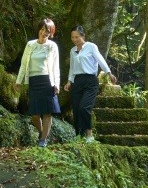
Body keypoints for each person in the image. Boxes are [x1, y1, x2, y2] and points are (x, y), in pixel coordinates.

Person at [63, 25, 117, 143]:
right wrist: (69, 81)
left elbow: (100, 60)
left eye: (77, 37)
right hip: (77, 81)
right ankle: (79, 135)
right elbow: (72, 68)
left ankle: (89, 135)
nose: (75, 39)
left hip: (90, 81)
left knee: (84, 107)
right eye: (72, 37)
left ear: (83, 36)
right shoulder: (73, 51)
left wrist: (109, 73)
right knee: (76, 109)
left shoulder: (91, 47)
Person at [15, 18, 61, 147]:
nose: (44, 33)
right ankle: (42, 134)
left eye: (47, 31)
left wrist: (56, 83)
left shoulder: (52, 46)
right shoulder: (30, 44)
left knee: (47, 112)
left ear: (51, 33)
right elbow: (24, 64)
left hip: (47, 81)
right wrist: (19, 80)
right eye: (42, 29)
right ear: (38, 30)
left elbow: (55, 67)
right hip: (34, 80)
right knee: (34, 114)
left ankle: (43, 140)